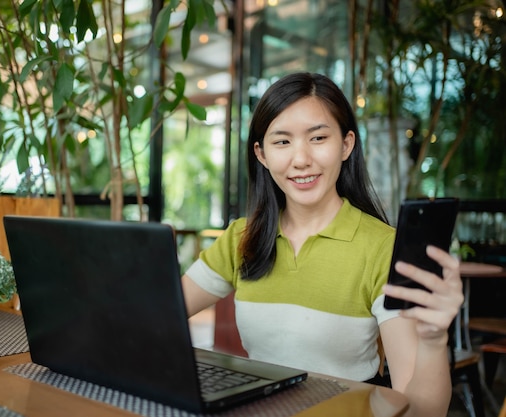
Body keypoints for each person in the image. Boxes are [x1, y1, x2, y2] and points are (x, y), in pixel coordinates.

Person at [181, 72, 463, 417]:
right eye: (282, 142)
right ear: (261, 154)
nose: (301, 160)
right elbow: (158, 316)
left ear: (346, 145)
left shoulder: (382, 249)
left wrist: (434, 341)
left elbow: (420, 411)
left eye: (318, 138)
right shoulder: (243, 237)